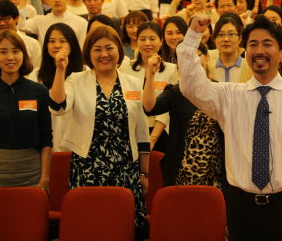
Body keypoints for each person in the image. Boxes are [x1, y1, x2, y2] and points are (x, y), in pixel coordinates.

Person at [177, 13, 282, 240]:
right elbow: (190, 85)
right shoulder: (227, 96)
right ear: (245, 52)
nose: (259, 50)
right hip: (243, 209)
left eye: (267, 44)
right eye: (252, 45)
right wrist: (193, 35)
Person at [49, 26, 150, 239]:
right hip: (87, 168)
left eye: (109, 48)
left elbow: (141, 131)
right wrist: (60, 70)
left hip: (125, 169)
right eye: (97, 49)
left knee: (121, 227)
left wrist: (144, 173)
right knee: (90, 225)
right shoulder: (76, 80)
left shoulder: (132, 83)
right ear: (88, 53)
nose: (104, 54)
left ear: (119, 51)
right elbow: (57, 108)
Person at [143, 41, 227, 191]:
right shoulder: (177, 92)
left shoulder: (221, 90)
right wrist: (151, 74)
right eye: (184, 59)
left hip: (215, 175)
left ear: (206, 56)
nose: (191, 63)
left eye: (195, 56)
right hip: (182, 175)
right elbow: (149, 108)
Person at [0, 30, 52, 190]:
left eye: (16, 51)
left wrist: (44, 179)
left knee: (32, 215)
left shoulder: (39, 91)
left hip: (32, 170)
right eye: (3, 52)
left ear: (24, 55)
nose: (10, 57)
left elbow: (46, 138)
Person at [120, 22, 178, 153]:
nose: (147, 43)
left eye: (152, 39)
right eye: (142, 39)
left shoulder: (171, 69)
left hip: (161, 133)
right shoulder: (125, 67)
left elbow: (168, 108)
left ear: (161, 41)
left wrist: (153, 137)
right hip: (131, 131)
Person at [29, 23, 84, 152]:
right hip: (46, 140)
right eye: (52, 41)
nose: (57, 45)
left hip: (78, 142)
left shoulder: (84, 73)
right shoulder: (37, 75)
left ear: (72, 44)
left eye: (63, 41)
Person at [18, 0, 88, 49]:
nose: (57, 0)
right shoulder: (40, 21)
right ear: (48, 0)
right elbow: (21, 26)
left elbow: (82, 49)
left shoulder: (81, 23)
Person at [0, 0, 41, 68]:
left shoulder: (32, 43)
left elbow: (37, 70)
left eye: (6, 19)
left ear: (16, 18)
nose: (2, 23)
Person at [209, 16, 252, 83]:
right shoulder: (207, 68)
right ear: (215, 39)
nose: (226, 39)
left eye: (231, 34)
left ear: (240, 39)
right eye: (221, 34)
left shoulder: (250, 68)